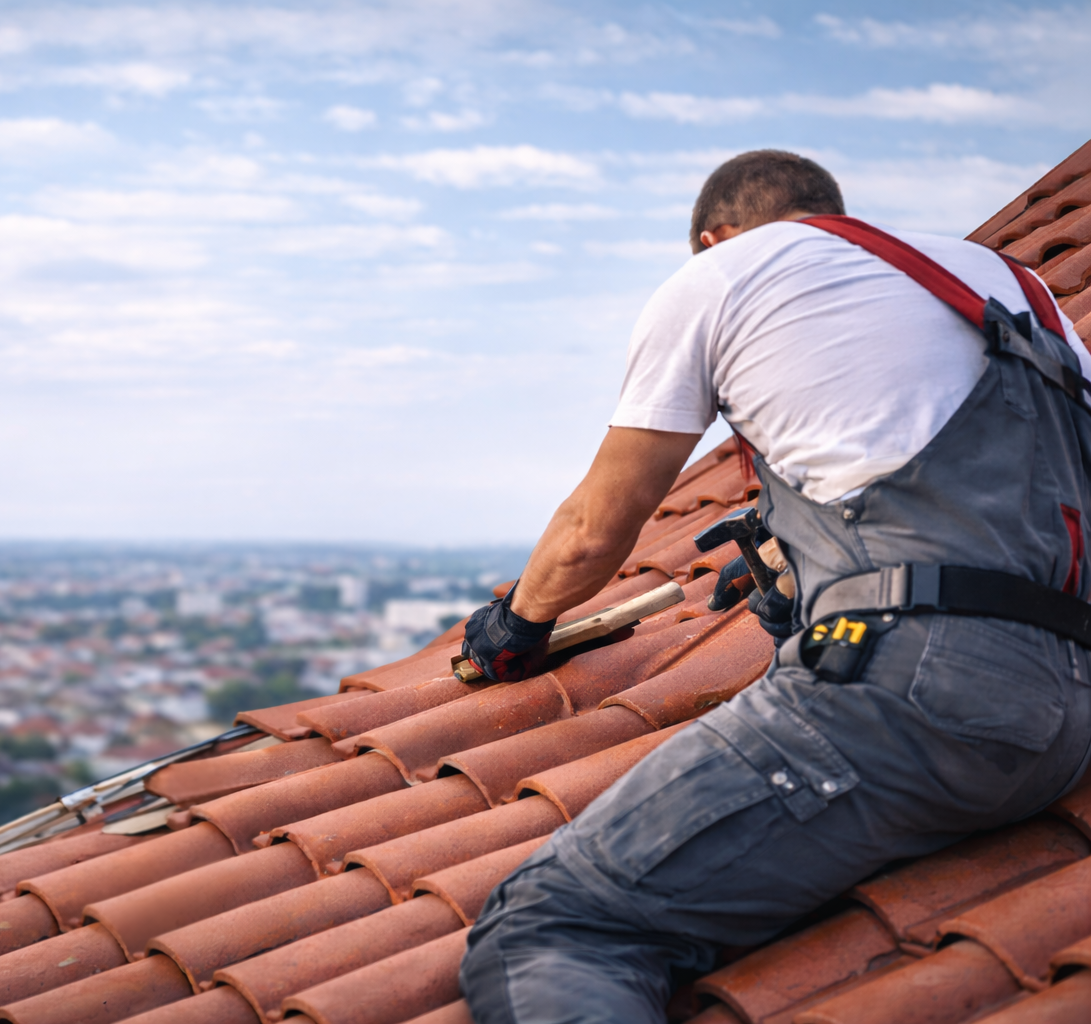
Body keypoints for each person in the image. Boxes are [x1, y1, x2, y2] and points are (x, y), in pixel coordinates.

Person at [457, 150, 1091, 1024]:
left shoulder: (723, 274)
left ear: (711, 241)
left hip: (912, 705)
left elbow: (593, 533)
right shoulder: (1010, 283)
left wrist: (516, 624)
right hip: (1068, 716)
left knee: (554, 924)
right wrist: (813, 563)